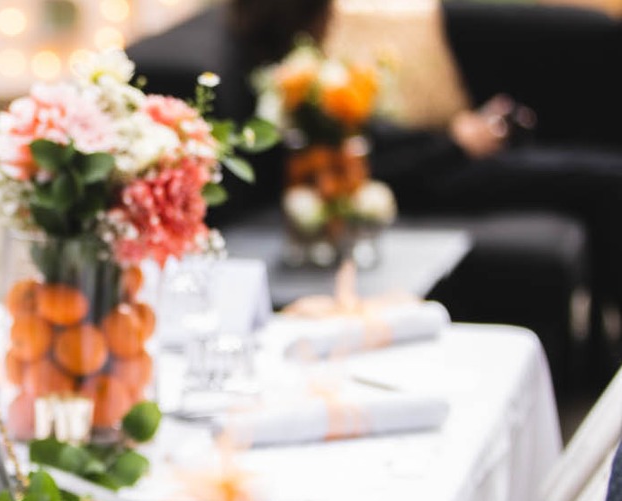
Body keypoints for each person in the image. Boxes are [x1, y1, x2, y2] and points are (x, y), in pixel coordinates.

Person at [216, 0, 622, 315]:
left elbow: (377, 139)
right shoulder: (285, 89)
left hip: (439, 160)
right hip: (433, 176)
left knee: (599, 173)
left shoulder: (298, 70)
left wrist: (454, 135)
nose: (334, 17)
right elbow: (376, 158)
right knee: (603, 177)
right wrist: (455, 144)